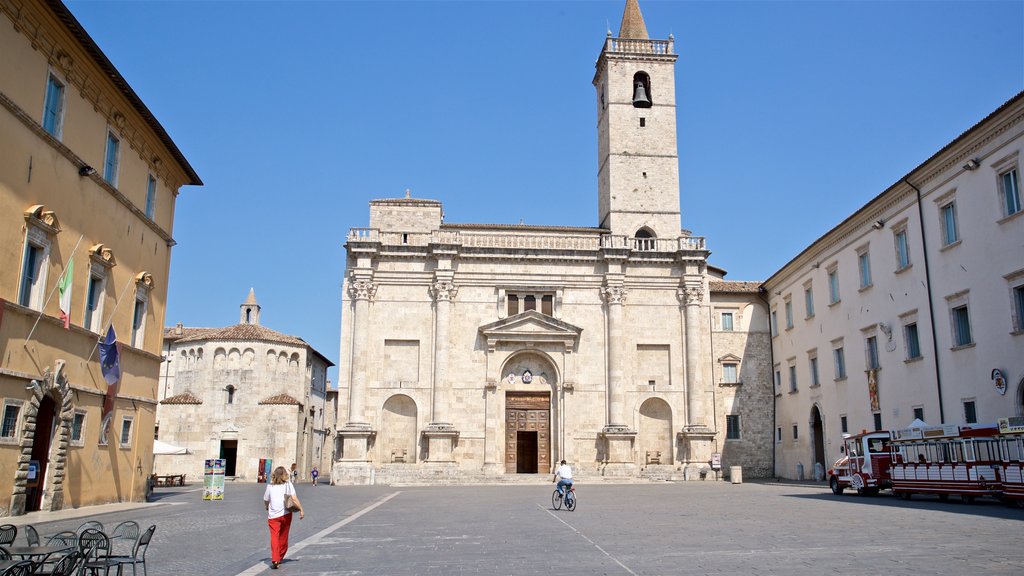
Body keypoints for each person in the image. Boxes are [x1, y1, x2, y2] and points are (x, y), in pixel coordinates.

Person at [264, 465, 304, 569]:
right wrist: (301, 509)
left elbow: (266, 499)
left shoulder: (270, 486)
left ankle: (275, 558)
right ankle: (280, 556)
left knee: (274, 537)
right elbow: (294, 499)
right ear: (284, 475)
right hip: (286, 515)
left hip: (273, 516)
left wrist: (266, 507)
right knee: (283, 537)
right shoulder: (288, 484)